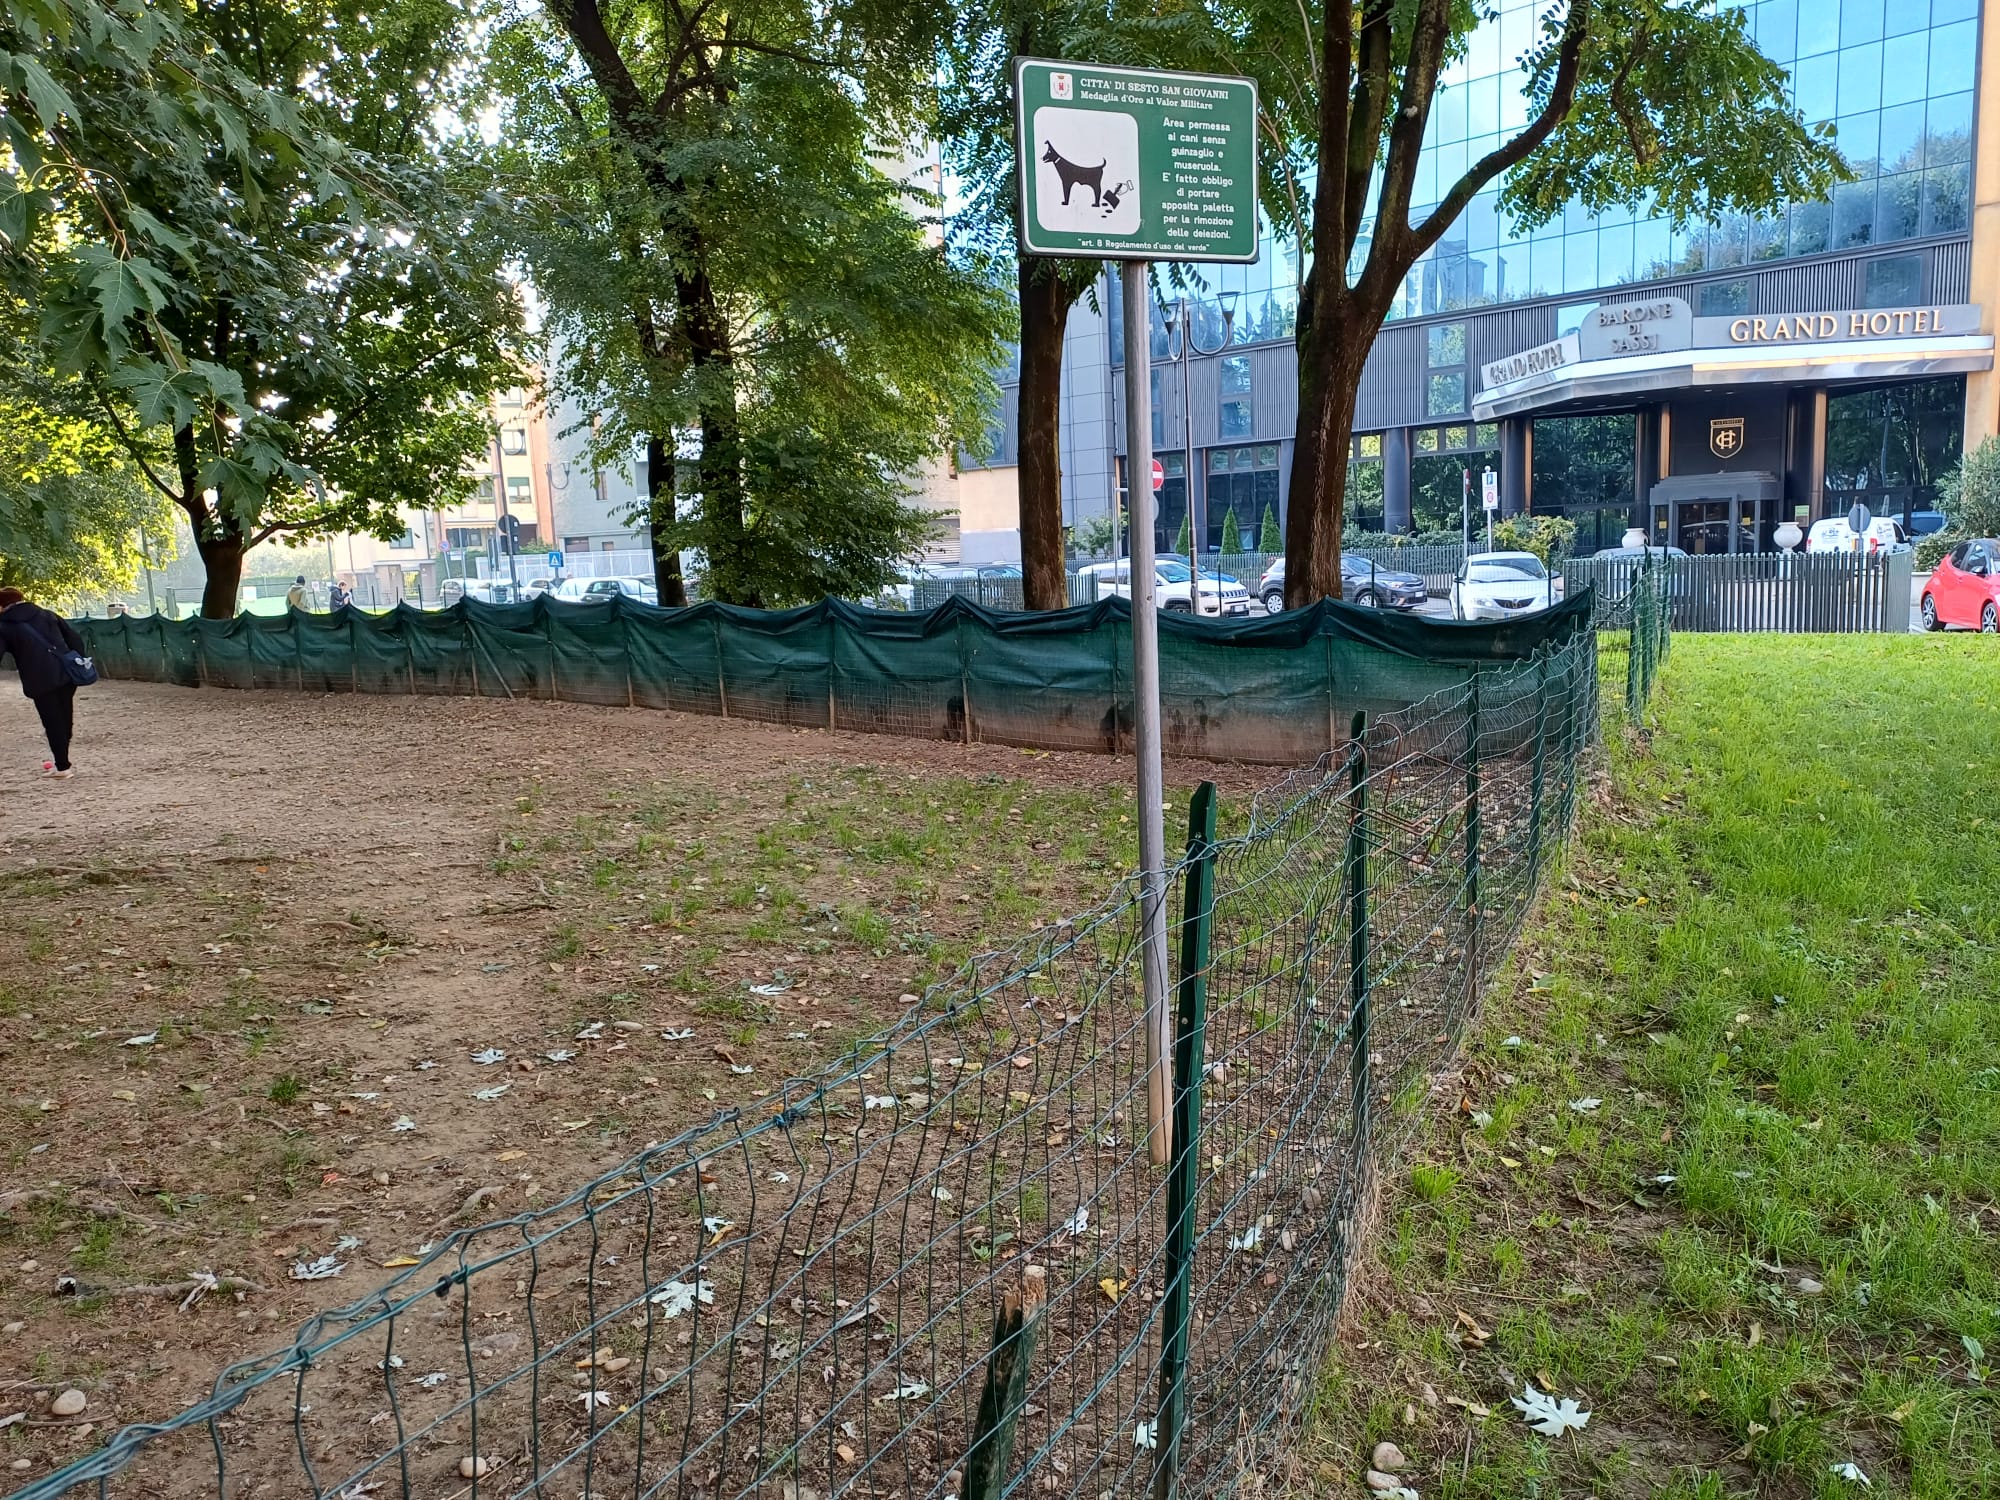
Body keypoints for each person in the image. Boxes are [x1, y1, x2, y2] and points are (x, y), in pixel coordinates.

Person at [0, 586, 90, 779]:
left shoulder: (5, 625)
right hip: (66, 672)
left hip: (38, 678)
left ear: (3, 606)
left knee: (52, 721)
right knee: (65, 716)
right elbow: (74, 638)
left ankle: (63, 766)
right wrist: (78, 659)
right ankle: (62, 757)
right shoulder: (47, 614)